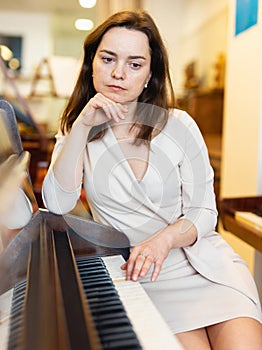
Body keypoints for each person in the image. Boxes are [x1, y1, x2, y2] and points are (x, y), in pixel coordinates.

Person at [42, 9, 262, 349]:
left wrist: (163, 241)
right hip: (146, 278)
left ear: (149, 73)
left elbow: (205, 212)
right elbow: (57, 203)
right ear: (91, 63)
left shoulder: (179, 125)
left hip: (207, 268)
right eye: (108, 58)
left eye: (134, 63)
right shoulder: (76, 130)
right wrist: (83, 125)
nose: (118, 73)